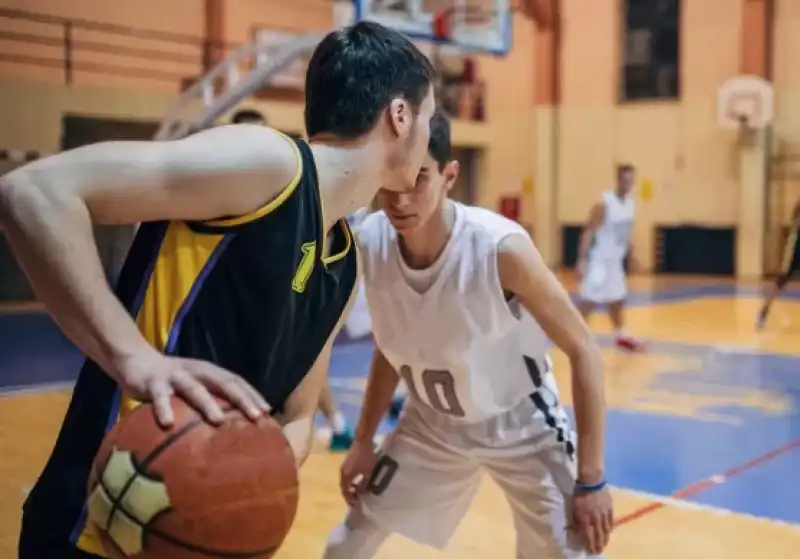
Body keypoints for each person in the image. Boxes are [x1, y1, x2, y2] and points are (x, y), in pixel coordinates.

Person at [0, 21, 436, 559]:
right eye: (430, 116)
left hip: (197, 543)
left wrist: (244, 481)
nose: (430, 134)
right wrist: (131, 355)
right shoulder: (270, 165)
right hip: (96, 528)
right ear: (399, 115)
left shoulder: (344, 262)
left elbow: (298, 416)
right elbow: (34, 192)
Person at [323, 112, 612, 559]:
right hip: (432, 425)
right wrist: (362, 442)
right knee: (344, 547)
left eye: (418, 179)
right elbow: (391, 345)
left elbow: (584, 348)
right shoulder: (368, 243)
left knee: (574, 553)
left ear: (449, 175)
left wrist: (591, 478)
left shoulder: (501, 250)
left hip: (522, 423)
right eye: (389, 181)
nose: (399, 198)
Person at [229, 105, 355, 450]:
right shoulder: (220, 195)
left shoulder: (298, 197)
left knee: (306, 366)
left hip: (287, 302)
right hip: (236, 325)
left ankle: (338, 423)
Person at [576, 164, 642, 352]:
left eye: (631, 180)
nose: (628, 183)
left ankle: (620, 335)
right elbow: (588, 231)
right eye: (625, 179)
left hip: (615, 261)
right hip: (600, 261)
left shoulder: (630, 204)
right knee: (589, 300)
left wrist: (632, 254)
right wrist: (581, 260)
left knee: (617, 299)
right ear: (618, 180)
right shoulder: (604, 203)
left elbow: (626, 233)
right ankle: (575, 334)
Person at [756, 200, 800, 330]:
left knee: (777, 285)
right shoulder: (795, 229)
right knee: (777, 285)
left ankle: (763, 313)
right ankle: (763, 314)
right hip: (792, 259)